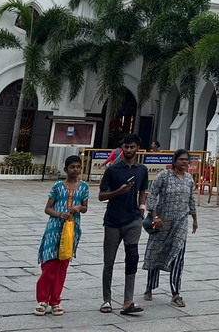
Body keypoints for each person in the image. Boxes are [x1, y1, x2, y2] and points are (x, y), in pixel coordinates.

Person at [98, 133, 148, 315]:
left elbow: (143, 190)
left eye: (132, 147)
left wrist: (142, 208)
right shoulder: (113, 170)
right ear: (122, 148)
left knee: (132, 257)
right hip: (113, 220)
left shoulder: (141, 170)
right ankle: (107, 300)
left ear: (137, 149)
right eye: (126, 147)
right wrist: (118, 191)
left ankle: (128, 301)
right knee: (109, 261)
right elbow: (101, 195)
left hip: (133, 219)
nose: (129, 150)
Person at [143, 148, 198, 308]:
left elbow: (191, 199)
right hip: (162, 223)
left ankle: (176, 293)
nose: (184, 162)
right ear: (174, 161)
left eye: (186, 160)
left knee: (178, 257)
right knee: (156, 253)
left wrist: (194, 218)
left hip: (180, 224)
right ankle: (150, 288)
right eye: (181, 159)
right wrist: (155, 216)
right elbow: (152, 195)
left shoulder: (189, 179)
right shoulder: (163, 176)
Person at [35, 155, 89, 316]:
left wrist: (78, 207)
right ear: (65, 169)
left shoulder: (84, 187)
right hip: (54, 229)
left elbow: (85, 207)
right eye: (72, 167)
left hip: (72, 229)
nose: (75, 170)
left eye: (78, 167)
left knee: (62, 265)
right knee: (50, 265)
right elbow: (47, 208)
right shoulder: (58, 186)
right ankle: (43, 299)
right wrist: (59, 214)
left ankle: (55, 300)